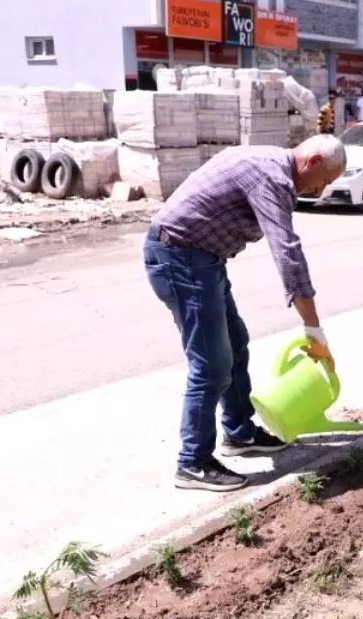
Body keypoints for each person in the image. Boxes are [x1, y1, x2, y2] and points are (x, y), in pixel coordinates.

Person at [143, 136, 346, 492]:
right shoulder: (273, 177)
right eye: (325, 180)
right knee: (211, 364)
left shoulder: (269, 163)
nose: (322, 189)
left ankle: (238, 432)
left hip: (201, 258)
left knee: (236, 343)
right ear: (313, 161)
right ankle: (193, 462)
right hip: (179, 258)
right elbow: (287, 252)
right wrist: (314, 329)